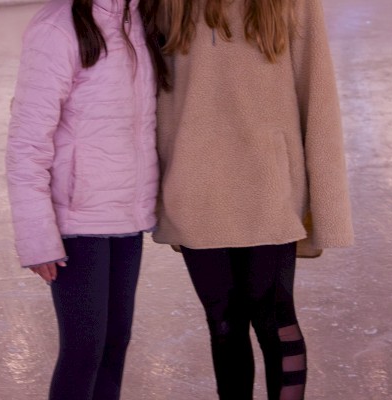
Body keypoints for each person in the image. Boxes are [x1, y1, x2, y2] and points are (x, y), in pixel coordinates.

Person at [152, 0, 354, 399]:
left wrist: (328, 207)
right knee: (224, 323)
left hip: (269, 189)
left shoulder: (292, 4)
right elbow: (149, 99)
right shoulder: (167, 5)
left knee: (274, 318)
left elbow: (318, 98)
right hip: (196, 191)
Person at [5, 0, 167, 399]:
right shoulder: (57, 28)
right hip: (77, 221)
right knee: (84, 349)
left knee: (114, 344)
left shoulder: (138, 20)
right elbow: (27, 143)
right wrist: (37, 236)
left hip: (126, 215)